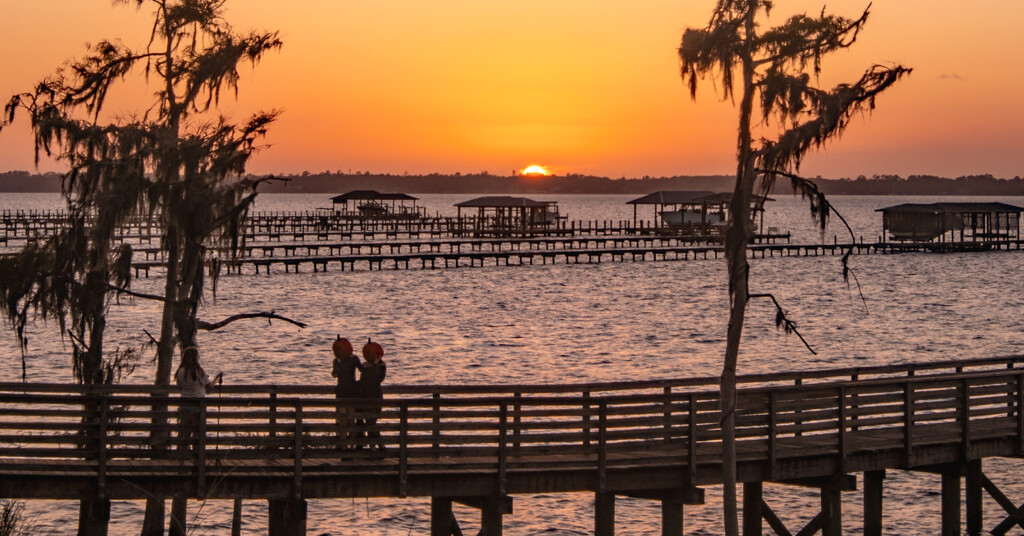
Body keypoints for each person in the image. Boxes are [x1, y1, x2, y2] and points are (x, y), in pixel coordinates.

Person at [174, 346, 221, 457]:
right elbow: (209, 385)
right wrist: (216, 379)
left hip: (184, 404)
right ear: (196, 358)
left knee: (185, 433)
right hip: (198, 405)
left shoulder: (180, 372)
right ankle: (197, 456)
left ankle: (182, 456)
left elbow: (180, 386)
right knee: (198, 433)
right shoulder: (198, 371)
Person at [330, 335, 361, 449]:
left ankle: (352, 446)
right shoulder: (336, 361)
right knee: (343, 419)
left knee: (351, 419)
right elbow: (334, 374)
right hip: (341, 390)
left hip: (351, 390)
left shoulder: (354, 359)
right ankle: (343, 446)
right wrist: (338, 363)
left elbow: (362, 370)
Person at [357, 339, 387, 451]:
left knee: (372, 421)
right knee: (368, 421)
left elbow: (378, 379)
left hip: (375, 397)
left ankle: (376, 445)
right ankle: (376, 445)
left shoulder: (381, 366)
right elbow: (363, 380)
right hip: (364, 397)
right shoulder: (364, 366)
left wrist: (374, 365)